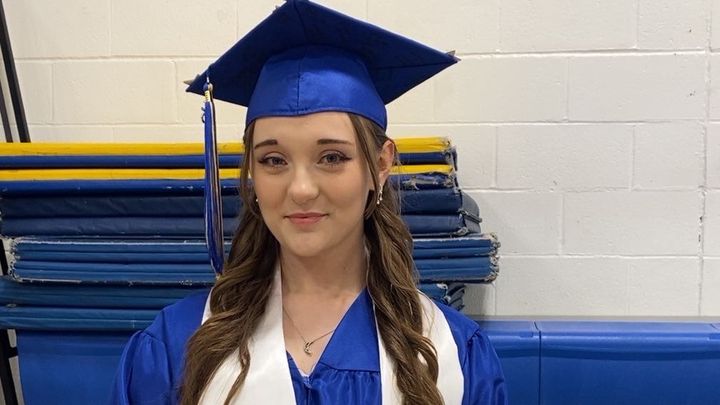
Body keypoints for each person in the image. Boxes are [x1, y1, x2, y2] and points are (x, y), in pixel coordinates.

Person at [110, 1, 507, 404]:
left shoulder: (450, 354)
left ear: (380, 165)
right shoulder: (176, 347)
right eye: (273, 160)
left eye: (331, 157)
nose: (300, 189)